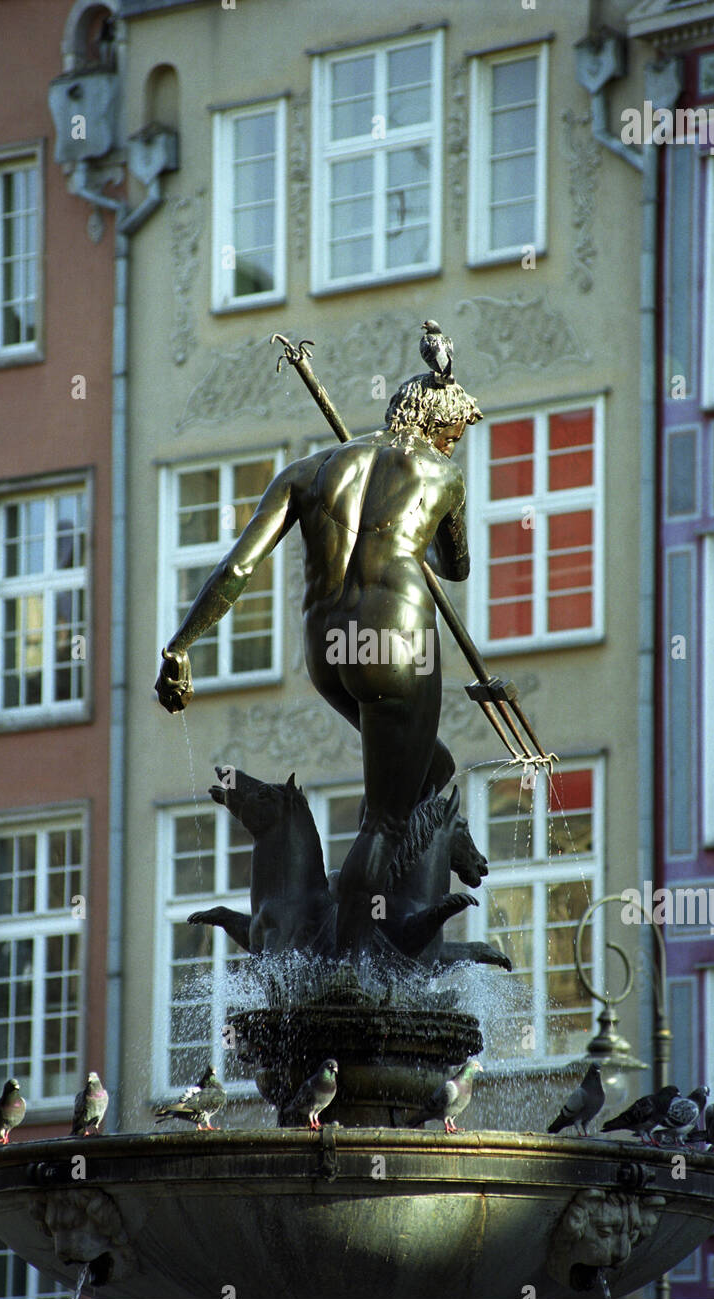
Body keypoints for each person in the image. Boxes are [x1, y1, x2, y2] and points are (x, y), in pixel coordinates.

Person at [155, 373, 482, 952]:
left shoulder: (306, 471)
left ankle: (371, 901)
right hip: (397, 641)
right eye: (453, 435)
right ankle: (351, 967)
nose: (452, 447)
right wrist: (411, 530)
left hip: (328, 648)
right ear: (440, 427)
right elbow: (456, 566)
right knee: (388, 820)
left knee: (432, 767)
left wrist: (181, 645)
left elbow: (237, 568)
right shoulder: (444, 475)